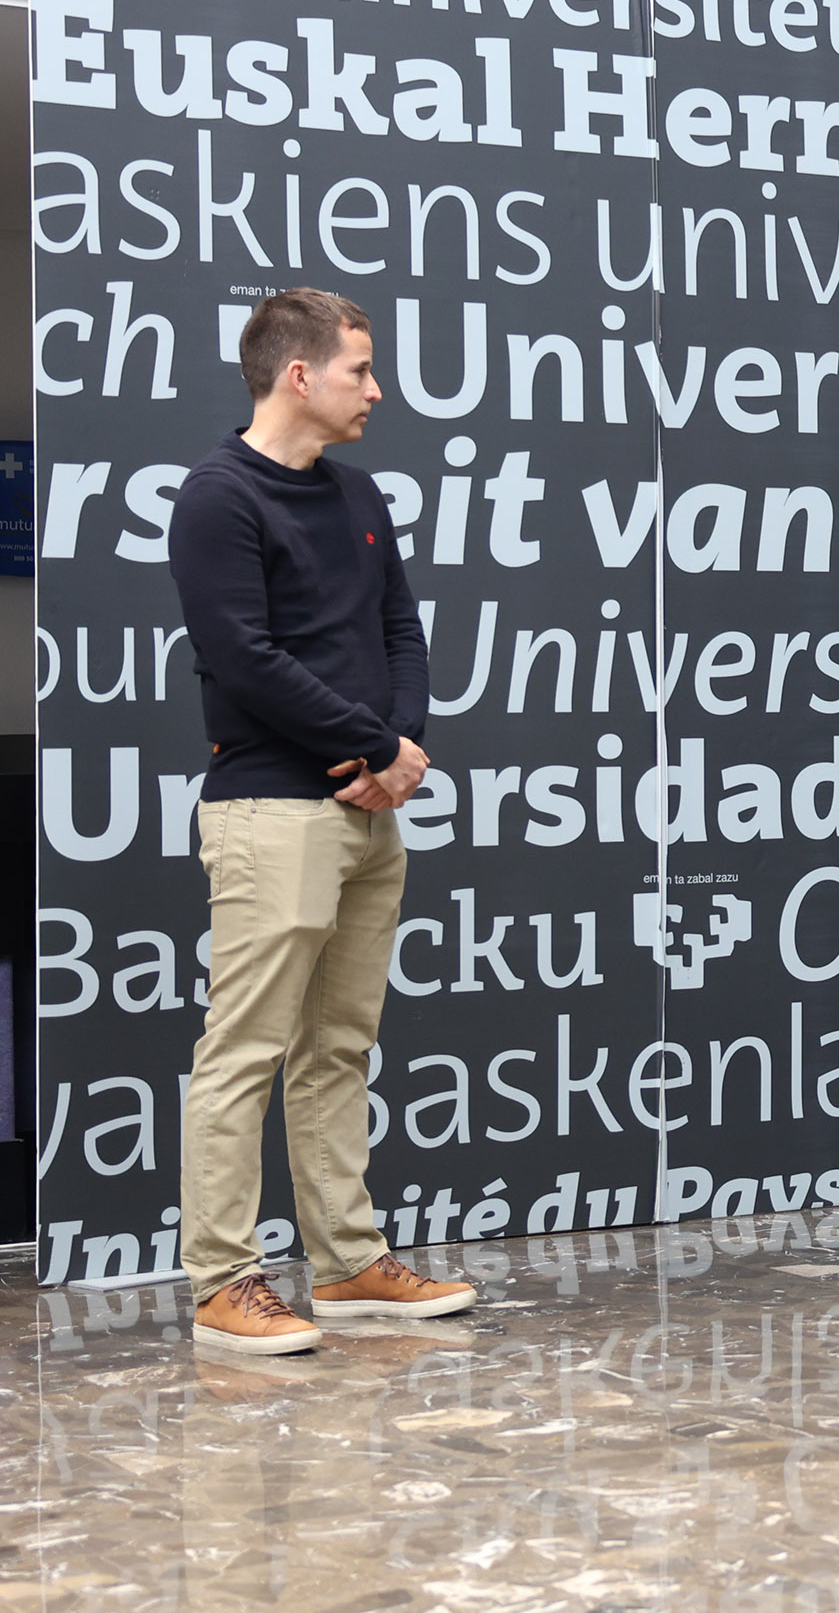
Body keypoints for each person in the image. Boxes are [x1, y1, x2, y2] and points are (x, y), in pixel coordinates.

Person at [168, 287, 476, 1354]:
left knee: (338, 1046)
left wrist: (397, 746)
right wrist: (373, 748)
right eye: (360, 368)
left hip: (364, 808)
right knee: (244, 1049)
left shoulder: (356, 492)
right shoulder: (217, 498)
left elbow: (399, 625)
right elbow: (244, 659)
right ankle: (221, 1280)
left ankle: (345, 1265)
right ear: (298, 374)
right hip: (270, 806)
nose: (376, 388)